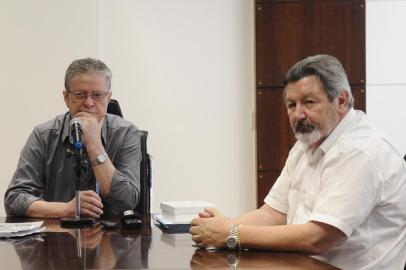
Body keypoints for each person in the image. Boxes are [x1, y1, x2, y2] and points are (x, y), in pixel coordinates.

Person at [189, 54, 406, 269]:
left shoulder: (360, 151)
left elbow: (318, 238)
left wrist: (231, 233)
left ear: (341, 100)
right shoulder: (308, 142)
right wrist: (221, 227)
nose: (298, 114)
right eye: (292, 105)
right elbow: (273, 214)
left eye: (309, 102)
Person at [4, 57, 141, 218]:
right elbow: (14, 199)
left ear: (108, 97)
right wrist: (66, 209)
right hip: (57, 235)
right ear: (66, 97)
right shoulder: (44, 135)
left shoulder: (127, 133)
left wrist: (94, 144)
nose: (89, 103)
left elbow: (127, 201)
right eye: (80, 94)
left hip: (112, 238)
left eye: (97, 95)